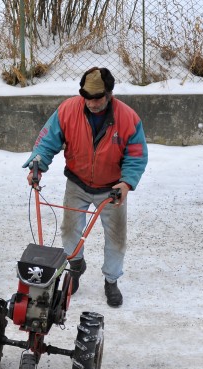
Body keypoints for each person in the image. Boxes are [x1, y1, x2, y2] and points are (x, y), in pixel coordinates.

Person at [22, 67, 148, 307]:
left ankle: (111, 281)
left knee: (116, 238)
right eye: (87, 97)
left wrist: (126, 183)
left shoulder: (128, 118)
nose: (91, 103)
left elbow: (136, 154)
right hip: (77, 184)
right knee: (69, 231)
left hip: (112, 190)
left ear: (109, 93)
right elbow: (48, 141)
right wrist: (37, 165)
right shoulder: (68, 110)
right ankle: (76, 266)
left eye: (97, 98)